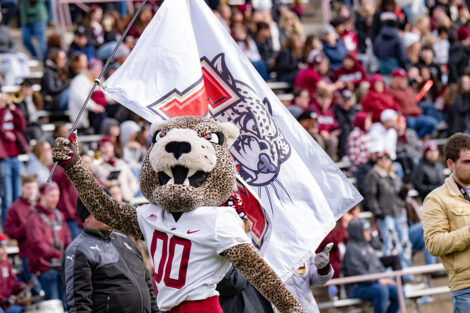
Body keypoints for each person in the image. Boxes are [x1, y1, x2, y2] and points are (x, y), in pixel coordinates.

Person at [63, 194, 160, 313]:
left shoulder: (127, 241)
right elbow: (79, 303)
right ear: (86, 217)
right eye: (100, 209)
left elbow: (147, 285)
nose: (107, 213)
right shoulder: (78, 249)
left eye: (109, 208)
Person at [423, 133, 470, 312]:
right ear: (450, 164)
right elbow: (434, 243)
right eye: (467, 162)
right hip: (466, 289)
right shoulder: (436, 199)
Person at [364, 150, 412, 272]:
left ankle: (405, 274)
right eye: (380, 159)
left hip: (399, 212)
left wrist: (405, 187)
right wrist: (377, 211)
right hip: (385, 214)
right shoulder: (373, 174)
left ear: (390, 160)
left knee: (404, 243)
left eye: (386, 158)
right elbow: (370, 195)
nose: (383, 161)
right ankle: (389, 274)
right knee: (390, 244)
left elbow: (400, 195)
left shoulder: (394, 174)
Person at [26, 182, 71, 308]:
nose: (55, 199)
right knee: (53, 305)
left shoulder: (59, 214)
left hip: (61, 266)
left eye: (57, 196)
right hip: (45, 268)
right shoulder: (34, 218)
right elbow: (37, 243)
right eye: (51, 196)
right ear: (42, 196)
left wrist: (67, 252)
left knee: (67, 302)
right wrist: (57, 254)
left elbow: (67, 236)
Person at [342, 219, 399, 313]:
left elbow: (379, 266)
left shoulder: (367, 246)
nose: (369, 232)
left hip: (373, 283)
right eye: (366, 230)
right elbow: (358, 273)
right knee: (381, 291)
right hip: (356, 287)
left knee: (399, 291)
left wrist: (384, 278)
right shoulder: (351, 249)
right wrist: (378, 280)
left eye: (369, 229)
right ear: (358, 231)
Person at [4, 175, 41, 296]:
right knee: (37, 292)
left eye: (34, 188)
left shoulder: (41, 204)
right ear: (22, 188)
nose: (32, 191)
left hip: (44, 255)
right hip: (27, 255)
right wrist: (26, 227)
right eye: (28, 188)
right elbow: (9, 231)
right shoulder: (15, 208)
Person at [0, 93, 27, 229]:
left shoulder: (12, 110)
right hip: (3, 160)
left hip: (15, 157)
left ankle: (18, 225)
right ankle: (7, 228)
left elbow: (22, 125)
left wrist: (12, 108)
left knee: (18, 196)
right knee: (7, 198)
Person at [0, 233, 25, 313]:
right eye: (1, 248)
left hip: (6, 305)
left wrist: (20, 287)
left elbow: (12, 282)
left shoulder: (6, 262)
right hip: (2, 304)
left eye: (5, 247)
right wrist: (3, 300)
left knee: (24, 310)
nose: (5, 251)